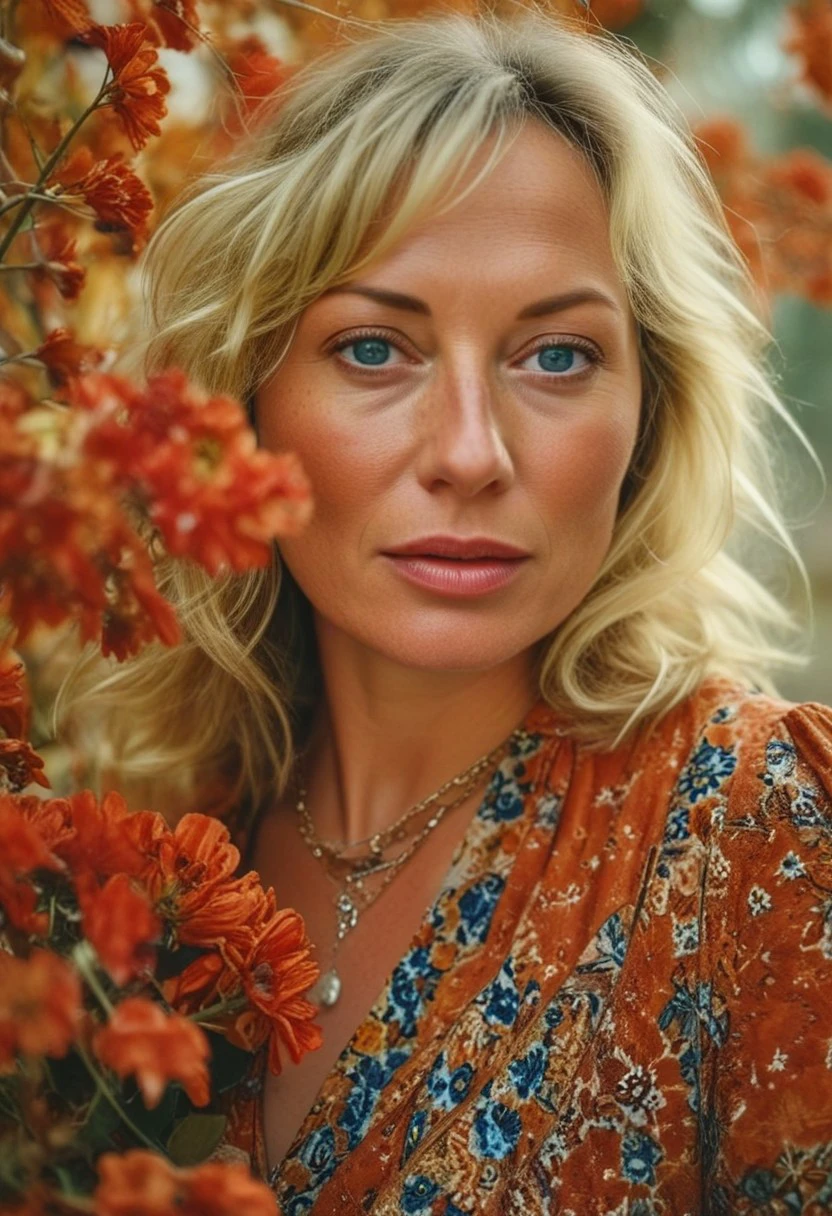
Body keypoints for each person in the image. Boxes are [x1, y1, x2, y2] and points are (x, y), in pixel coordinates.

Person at [59, 6, 832, 1213]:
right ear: (244, 396)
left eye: (555, 357)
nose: (469, 454)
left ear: (648, 419)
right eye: (375, 349)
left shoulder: (750, 827)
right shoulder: (137, 866)